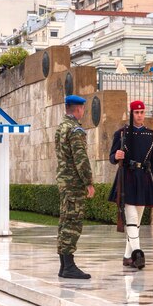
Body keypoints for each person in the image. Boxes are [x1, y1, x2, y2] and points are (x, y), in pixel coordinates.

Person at [108, 100, 153, 270]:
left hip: (144, 178)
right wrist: (116, 156)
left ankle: (126, 257)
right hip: (127, 178)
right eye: (137, 112)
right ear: (131, 114)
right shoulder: (121, 133)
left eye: (142, 112)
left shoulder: (151, 135)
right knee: (131, 218)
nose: (140, 115)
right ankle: (138, 254)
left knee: (136, 221)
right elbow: (111, 157)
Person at [55, 94, 95, 279]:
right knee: (72, 223)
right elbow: (81, 159)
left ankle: (64, 266)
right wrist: (88, 182)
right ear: (78, 109)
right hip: (73, 182)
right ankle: (69, 266)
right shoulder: (75, 130)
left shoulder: (61, 127)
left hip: (64, 181)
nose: (83, 112)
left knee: (65, 221)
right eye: (83, 109)